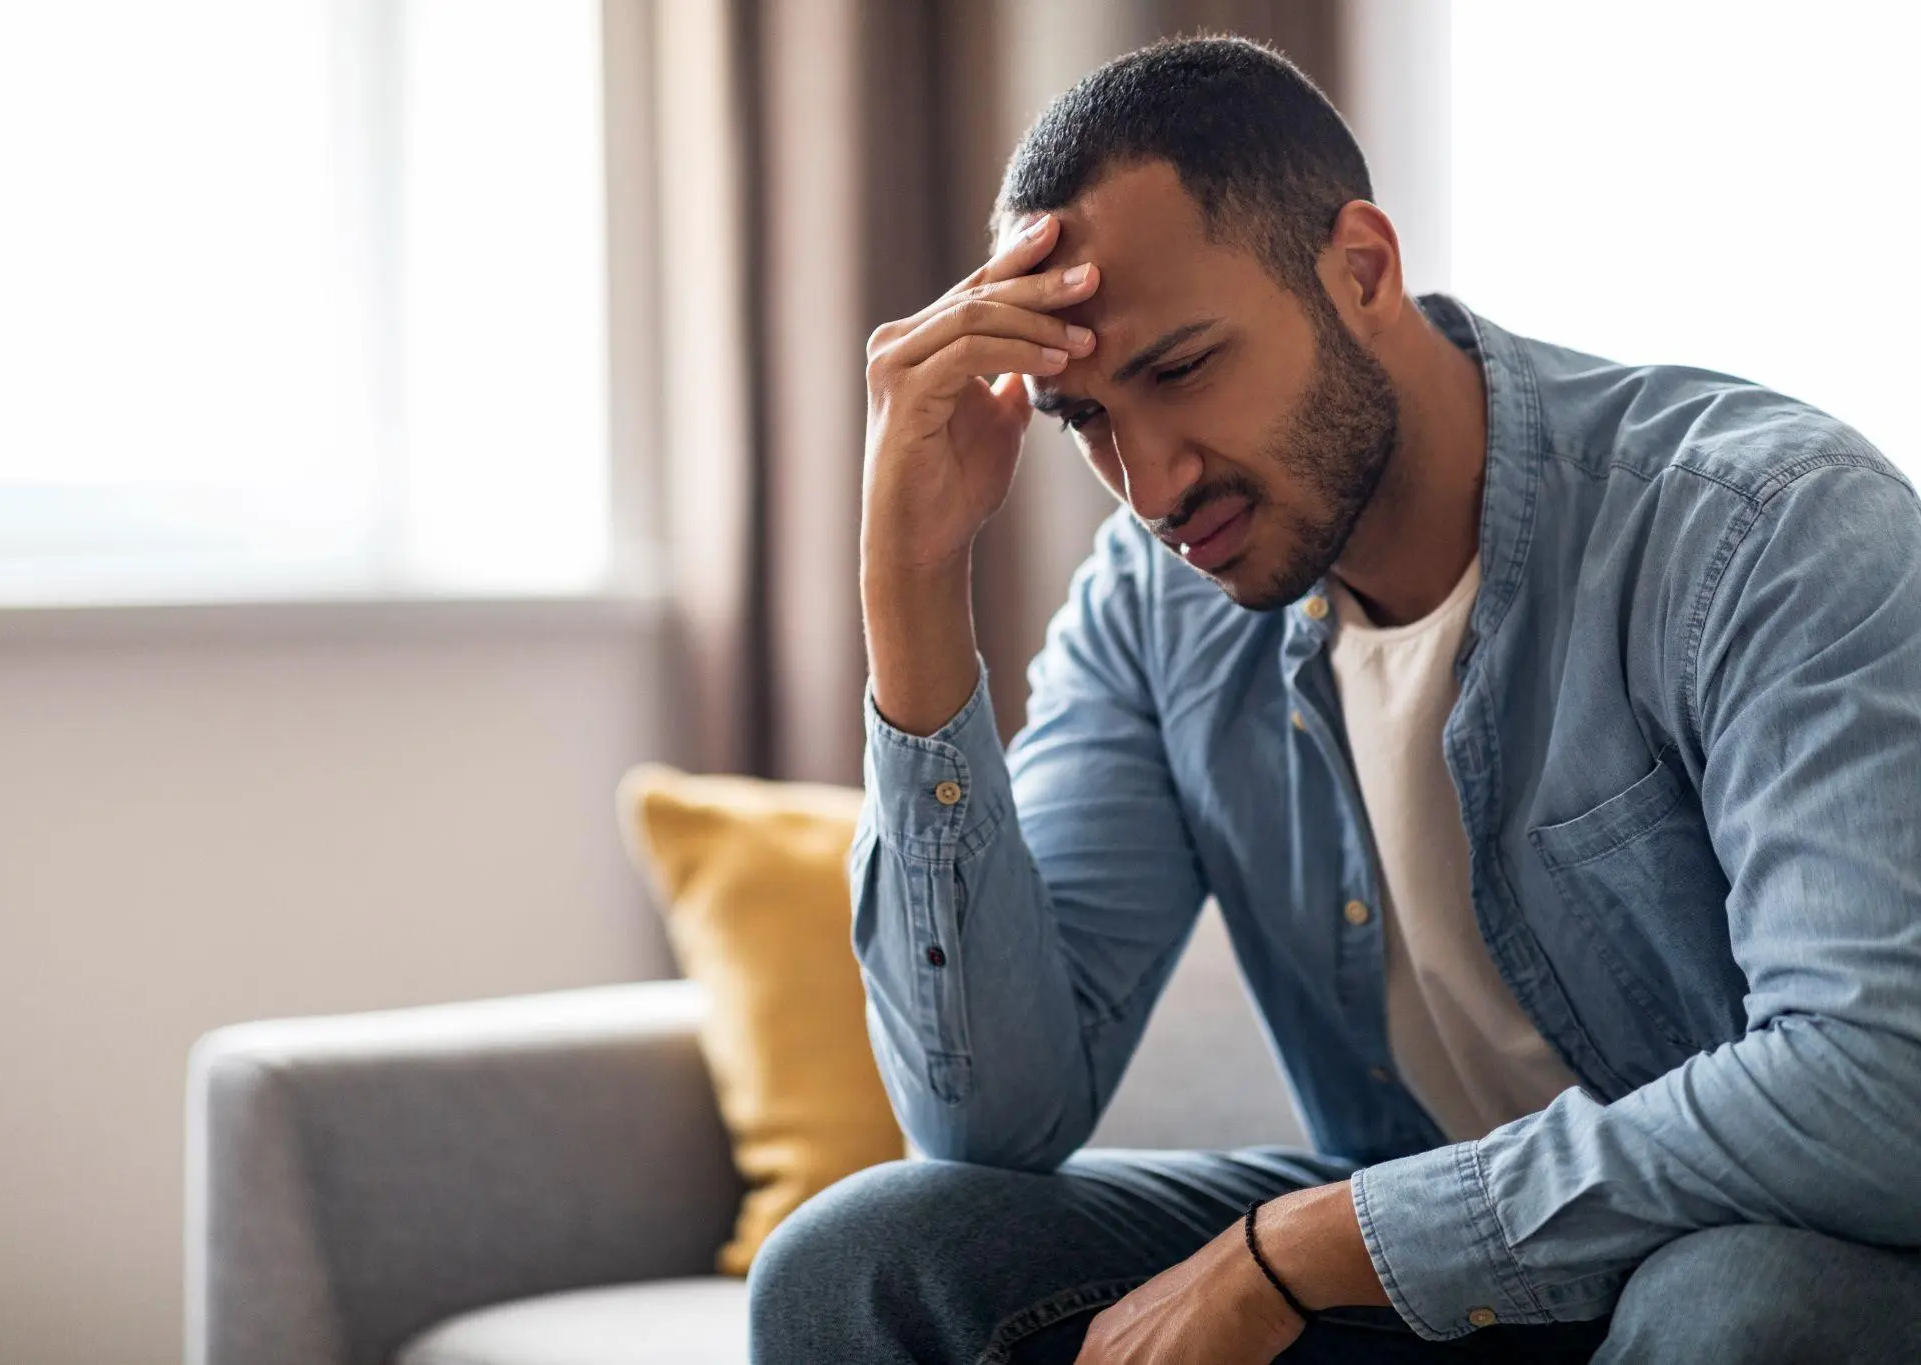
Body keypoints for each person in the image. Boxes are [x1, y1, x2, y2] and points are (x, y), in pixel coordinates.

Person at [748, 34, 1921, 1365]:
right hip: (1428, 1283)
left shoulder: (1764, 529)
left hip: (1754, 1245)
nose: (1152, 485)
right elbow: (990, 1121)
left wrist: (1305, 1251)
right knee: (859, 1265)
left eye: (1181, 369)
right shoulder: (1153, 606)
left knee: (1746, 1306)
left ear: (1361, 269)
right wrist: (911, 588)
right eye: (1087, 420)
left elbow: (1882, 1082)